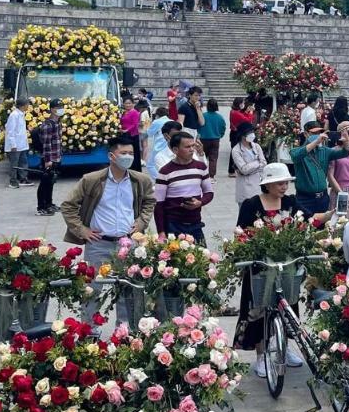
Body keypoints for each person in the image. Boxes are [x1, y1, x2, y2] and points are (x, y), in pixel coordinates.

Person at [60, 134, 156, 326]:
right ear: (111, 156)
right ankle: (89, 332)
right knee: (91, 290)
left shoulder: (140, 180)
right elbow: (68, 205)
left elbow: (149, 201)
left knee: (126, 289)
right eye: (123, 153)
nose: (128, 157)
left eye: (131, 153)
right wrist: (82, 230)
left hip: (127, 244)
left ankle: (124, 332)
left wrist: (141, 222)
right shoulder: (92, 180)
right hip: (99, 243)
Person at [235, 164, 302, 376]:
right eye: (280, 183)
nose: (284, 187)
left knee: (288, 306)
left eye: (286, 183)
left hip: (285, 267)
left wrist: (327, 216)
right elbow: (241, 233)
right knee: (259, 311)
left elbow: (306, 221)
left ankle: (284, 349)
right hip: (261, 269)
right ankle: (261, 356)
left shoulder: (290, 203)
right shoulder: (251, 205)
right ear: (268, 184)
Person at [155, 131, 214, 244]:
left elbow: (209, 192)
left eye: (193, 146)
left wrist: (200, 202)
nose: (192, 149)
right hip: (173, 226)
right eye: (187, 147)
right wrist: (161, 232)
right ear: (175, 150)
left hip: (195, 223)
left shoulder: (200, 167)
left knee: (202, 259)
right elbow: (159, 204)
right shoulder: (165, 172)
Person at [290, 121, 349, 216]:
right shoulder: (297, 151)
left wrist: (346, 142)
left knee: (323, 227)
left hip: (322, 197)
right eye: (314, 133)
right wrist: (316, 141)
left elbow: (344, 153)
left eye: (319, 133)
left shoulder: (325, 151)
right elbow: (296, 156)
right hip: (304, 199)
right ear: (306, 134)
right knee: (305, 226)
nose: (318, 135)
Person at [33, 99, 64, 216]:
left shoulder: (58, 123)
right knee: (44, 183)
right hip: (49, 159)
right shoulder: (47, 125)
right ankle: (41, 207)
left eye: (61, 107)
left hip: (56, 157)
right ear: (51, 109)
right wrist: (47, 161)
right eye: (57, 107)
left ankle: (49, 204)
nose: (60, 109)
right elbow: (46, 144)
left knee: (51, 182)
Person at [231, 122, 268, 205]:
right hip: (245, 188)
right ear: (242, 135)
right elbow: (244, 169)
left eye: (252, 132)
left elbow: (264, 163)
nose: (252, 134)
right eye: (249, 133)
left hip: (258, 184)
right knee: (245, 213)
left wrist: (252, 166)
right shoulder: (236, 150)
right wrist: (258, 163)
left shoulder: (257, 146)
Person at [3, 97, 33, 189]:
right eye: (27, 104)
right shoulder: (14, 115)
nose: (28, 106)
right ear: (22, 105)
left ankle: (23, 178)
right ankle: (13, 181)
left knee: (23, 162)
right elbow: (10, 131)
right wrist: (13, 145)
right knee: (14, 164)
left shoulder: (21, 114)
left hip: (22, 144)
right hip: (15, 145)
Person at [198, 98, 227, 177]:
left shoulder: (203, 116)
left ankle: (202, 173)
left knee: (202, 156)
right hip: (215, 139)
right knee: (213, 158)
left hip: (203, 139)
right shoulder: (220, 117)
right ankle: (211, 175)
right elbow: (223, 128)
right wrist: (220, 135)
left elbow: (199, 126)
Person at [228, 98, 255, 176]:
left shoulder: (234, 111)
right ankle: (232, 170)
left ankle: (234, 169)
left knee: (236, 150)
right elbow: (247, 120)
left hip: (235, 132)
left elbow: (243, 116)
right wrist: (251, 112)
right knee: (235, 151)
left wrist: (247, 112)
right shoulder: (236, 113)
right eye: (242, 103)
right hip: (236, 133)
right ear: (239, 104)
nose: (243, 105)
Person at [119, 97, 143, 172]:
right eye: (126, 103)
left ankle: (135, 169)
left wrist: (126, 130)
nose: (128, 105)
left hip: (132, 135)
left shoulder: (135, 112)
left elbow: (135, 124)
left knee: (133, 152)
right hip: (124, 134)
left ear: (133, 104)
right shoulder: (123, 112)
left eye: (129, 103)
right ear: (123, 104)